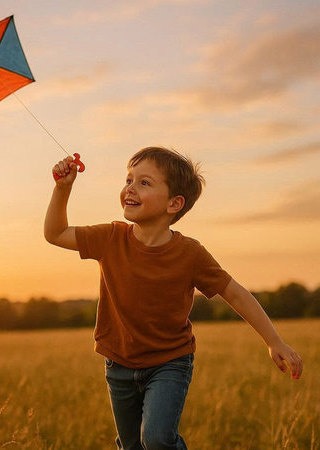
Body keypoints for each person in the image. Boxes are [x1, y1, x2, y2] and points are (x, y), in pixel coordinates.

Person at [44, 146, 303, 450]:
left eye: (144, 182)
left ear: (174, 203)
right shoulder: (110, 238)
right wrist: (63, 188)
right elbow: (56, 233)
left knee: (155, 440)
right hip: (119, 364)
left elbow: (234, 292)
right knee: (132, 446)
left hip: (169, 363)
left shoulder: (190, 254)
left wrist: (273, 340)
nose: (130, 187)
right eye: (129, 179)